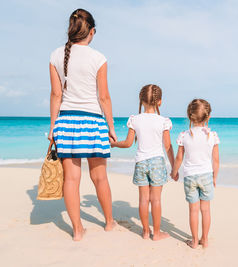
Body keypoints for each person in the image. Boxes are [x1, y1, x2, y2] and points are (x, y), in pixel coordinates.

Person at [48, 9, 116, 241]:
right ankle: (109, 222)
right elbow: (104, 97)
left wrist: (52, 128)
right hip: (92, 122)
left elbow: (56, 95)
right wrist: (111, 127)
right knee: (99, 178)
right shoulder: (99, 58)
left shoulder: (56, 55)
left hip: (66, 120)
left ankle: (77, 230)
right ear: (92, 31)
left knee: (71, 180)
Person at [110, 84, 174, 241]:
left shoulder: (135, 120)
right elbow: (167, 147)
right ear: (159, 102)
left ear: (141, 100)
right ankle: (156, 233)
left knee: (143, 199)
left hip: (141, 163)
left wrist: (113, 144)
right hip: (157, 163)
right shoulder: (163, 121)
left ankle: (145, 232)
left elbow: (127, 143)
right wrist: (174, 167)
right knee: (156, 200)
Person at [171, 99, 220, 248]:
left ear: (189, 116)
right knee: (205, 210)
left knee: (193, 210)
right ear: (208, 117)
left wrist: (174, 172)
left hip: (190, 176)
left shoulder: (184, 135)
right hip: (206, 175)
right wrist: (214, 177)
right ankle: (204, 239)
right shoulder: (212, 135)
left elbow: (179, 157)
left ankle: (194, 241)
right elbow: (216, 160)